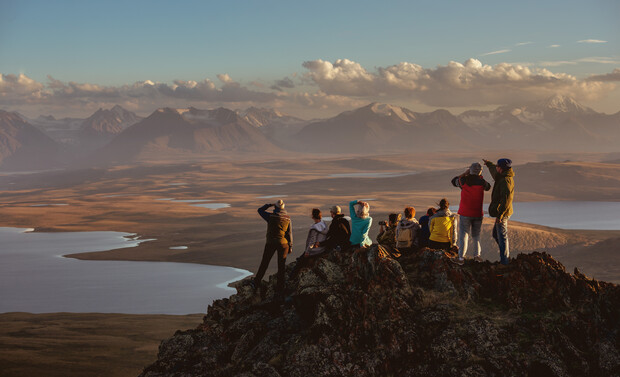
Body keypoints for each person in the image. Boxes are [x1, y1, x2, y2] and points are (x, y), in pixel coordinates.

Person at [450, 163, 491, 265]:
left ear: (470, 170)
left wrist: (464, 173)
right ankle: (477, 256)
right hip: (477, 213)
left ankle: (461, 258)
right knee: (476, 235)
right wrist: (479, 176)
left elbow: (453, 181)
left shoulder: (464, 181)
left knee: (464, 235)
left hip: (465, 213)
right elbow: (488, 187)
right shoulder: (482, 182)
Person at [252, 200, 292, 295]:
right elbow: (289, 233)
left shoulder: (271, 216)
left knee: (265, 263)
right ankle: (280, 288)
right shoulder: (287, 218)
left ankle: (256, 282)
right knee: (281, 266)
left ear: (276, 207)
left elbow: (260, 210)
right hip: (284, 244)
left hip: (271, 243)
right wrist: (290, 246)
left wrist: (269, 204)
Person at [483, 158, 515, 265]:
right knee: (496, 234)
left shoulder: (505, 181)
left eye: (497, 166)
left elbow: (506, 199)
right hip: (502, 212)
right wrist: (488, 163)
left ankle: (505, 261)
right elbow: (493, 170)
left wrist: (500, 215)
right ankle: (505, 256)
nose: (496, 168)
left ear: (501, 169)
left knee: (501, 236)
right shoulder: (501, 176)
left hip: (503, 213)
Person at [290, 208, 328, 278]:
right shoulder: (323, 224)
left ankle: (291, 278)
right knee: (301, 258)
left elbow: (312, 241)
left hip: (315, 250)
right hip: (322, 249)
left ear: (313, 216)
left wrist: (307, 252)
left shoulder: (315, 228)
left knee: (299, 263)